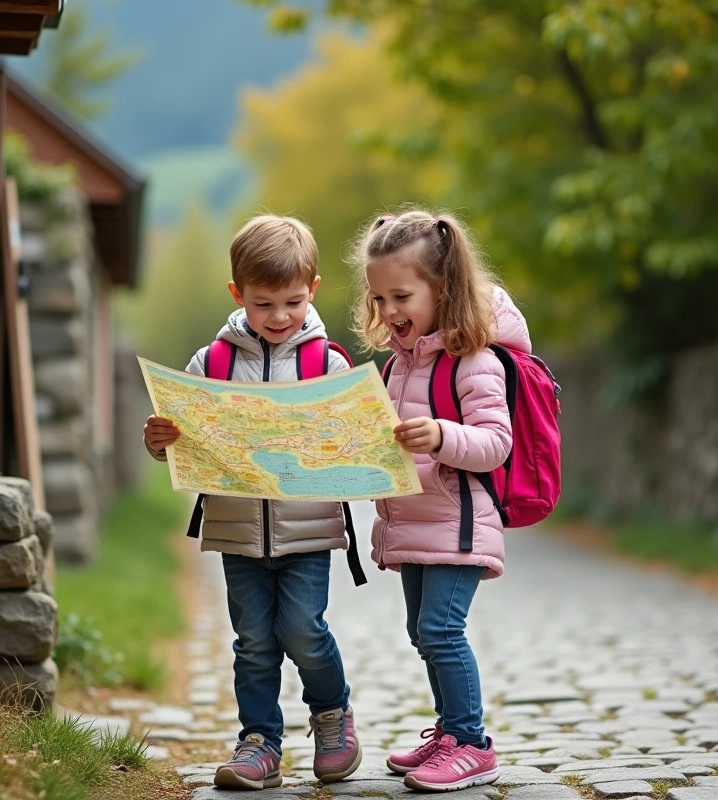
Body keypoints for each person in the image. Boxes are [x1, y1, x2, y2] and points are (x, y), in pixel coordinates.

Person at [143, 215, 362, 790]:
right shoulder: (211, 366)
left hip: (308, 530)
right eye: (264, 304)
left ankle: (332, 712)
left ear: (312, 290)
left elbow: (348, 445)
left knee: (302, 629)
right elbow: (181, 449)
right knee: (255, 643)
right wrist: (161, 443)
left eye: (292, 301)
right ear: (238, 295)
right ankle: (260, 740)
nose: (280, 316)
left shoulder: (327, 366)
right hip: (237, 531)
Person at [351, 208, 531, 792]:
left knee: (441, 630)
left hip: (458, 523)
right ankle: (450, 734)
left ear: (442, 288)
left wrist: (442, 435)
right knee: (420, 629)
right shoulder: (397, 367)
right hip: (415, 522)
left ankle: (472, 742)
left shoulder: (473, 358)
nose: (388, 311)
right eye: (378, 299)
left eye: (400, 295)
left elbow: (496, 443)